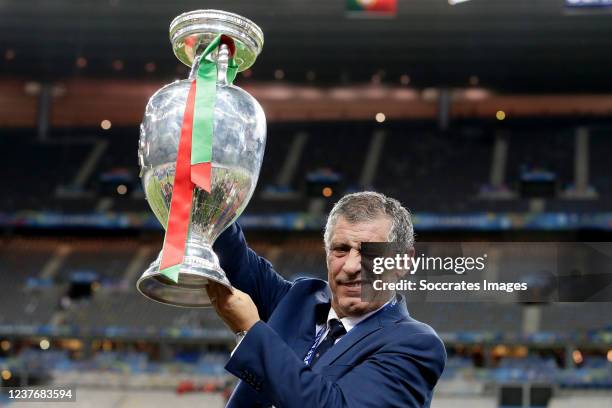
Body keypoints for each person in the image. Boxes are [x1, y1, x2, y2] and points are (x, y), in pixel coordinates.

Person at [207, 191, 446, 408]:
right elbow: (233, 258)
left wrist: (251, 331)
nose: (352, 266)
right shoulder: (298, 300)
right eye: (340, 249)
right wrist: (206, 186)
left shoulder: (416, 345)